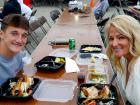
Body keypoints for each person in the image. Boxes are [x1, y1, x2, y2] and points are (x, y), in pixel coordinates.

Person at [105, 15, 140, 105]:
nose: (114, 43)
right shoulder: (122, 59)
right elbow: (121, 96)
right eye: (111, 38)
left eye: (121, 37)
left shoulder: (138, 66)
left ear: (134, 37)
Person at [0, 14, 29, 85]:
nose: (19, 40)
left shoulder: (21, 56)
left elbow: (22, 77)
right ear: (1, 34)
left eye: (24, 35)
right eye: (14, 33)